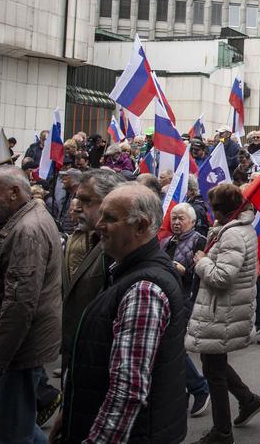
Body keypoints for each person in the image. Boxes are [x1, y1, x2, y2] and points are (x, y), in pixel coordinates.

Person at [56, 184, 189, 443]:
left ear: (141, 226)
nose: (98, 226)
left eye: (110, 219)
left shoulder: (144, 289)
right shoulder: (127, 272)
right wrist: (70, 413)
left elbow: (127, 391)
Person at [0, 166, 61, 442]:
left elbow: (18, 305)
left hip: (16, 351)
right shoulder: (21, 221)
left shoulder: (27, 231)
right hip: (15, 347)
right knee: (13, 422)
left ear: (14, 192)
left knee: (9, 431)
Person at [186, 183, 260, 444]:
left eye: (215, 208)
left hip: (222, 308)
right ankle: (248, 400)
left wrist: (202, 262)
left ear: (221, 209)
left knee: (214, 371)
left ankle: (222, 432)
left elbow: (222, 277)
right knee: (215, 364)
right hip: (223, 307)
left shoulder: (233, 234)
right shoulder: (234, 230)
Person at [63, 169, 125, 371]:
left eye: (87, 201)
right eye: (77, 199)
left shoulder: (118, 249)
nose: (78, 207)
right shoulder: (93, 237)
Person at [161, 203, 212, 417]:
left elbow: (203, 273)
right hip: (168, 297)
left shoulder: (200, 241)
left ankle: (199, 388)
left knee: (171, 346)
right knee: (167, 345)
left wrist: (184, 271)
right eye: (173, 218)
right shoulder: (166, 241)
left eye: (181, 218)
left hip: (188, 299)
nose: (176, 222)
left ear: (192, 221)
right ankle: (182, 392)